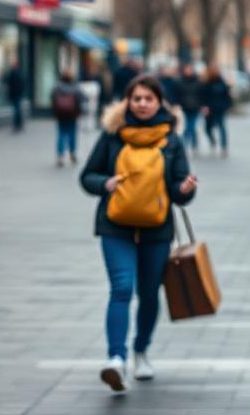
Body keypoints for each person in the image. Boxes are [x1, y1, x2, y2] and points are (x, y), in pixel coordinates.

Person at [79, 75, 198, 392]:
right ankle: (115, 359)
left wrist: (185, 189)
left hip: (156, 230)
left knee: (148, 295)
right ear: (127, 102)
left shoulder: (172, 140)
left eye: (148, 98)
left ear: (160, 102)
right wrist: (103, 184)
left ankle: (141, 350)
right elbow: (87, 176)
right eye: (136, 99)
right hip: (115, 226)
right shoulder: (112, 135)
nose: (142, 104)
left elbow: (178, 191)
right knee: (121, 288)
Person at [51, 71, 85, 167]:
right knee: (72, 134)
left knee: (61, 134)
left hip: (61, 115)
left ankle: (60, 156)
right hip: (72, 115)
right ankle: (72, 153)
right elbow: (82, 98)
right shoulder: (75, 87)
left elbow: (52, 98)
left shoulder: (57, 86)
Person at [201, 66, 233, 157]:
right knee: (207, 128)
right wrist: (204, 106)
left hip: (220, 109)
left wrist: (228, 106)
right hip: (209, 109)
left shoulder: (222, 82)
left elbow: (227, 95)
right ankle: (212, 140)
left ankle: (224, 147)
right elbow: (203, 96)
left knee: (222, 127)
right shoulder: (206, 83)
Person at [176, 63, 203, 152]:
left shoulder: (198, 81)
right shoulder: (180, 81)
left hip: (195, 108)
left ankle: (188, 144)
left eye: (190, 69)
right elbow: (177, 94)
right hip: (184, 108)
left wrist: (203, 106)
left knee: (191, 126)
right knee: (188, 127)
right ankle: (189, 144)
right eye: (186, 69)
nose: (188, 71)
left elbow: (202, 94)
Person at [3, 61, 26, 132]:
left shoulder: (15, 74)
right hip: (16, 95)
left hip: (16, 95)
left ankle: (17, 124)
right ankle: (18, 124)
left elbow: (7, 81)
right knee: (17, 110)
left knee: (16, 110)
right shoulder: (17, 73)